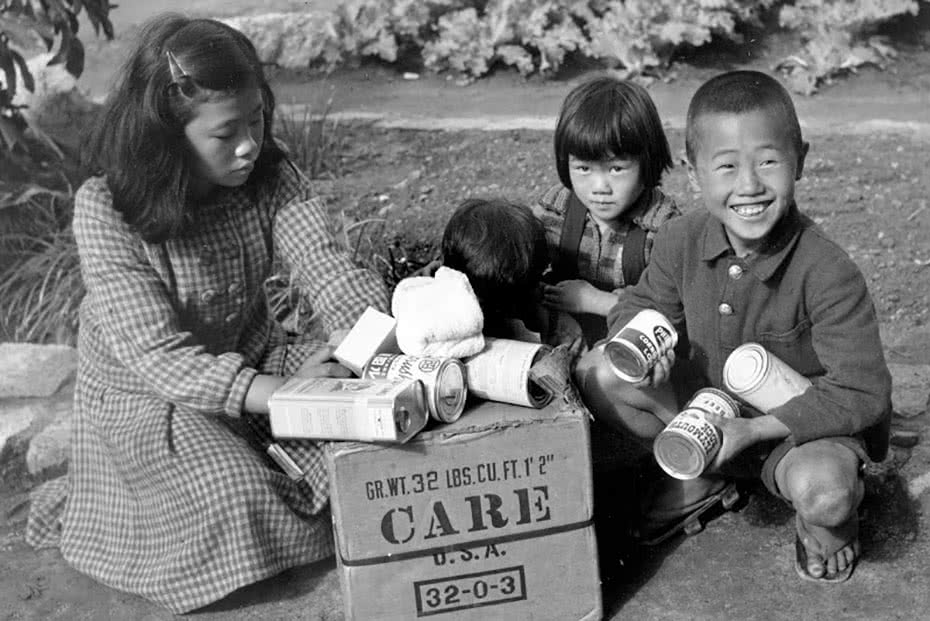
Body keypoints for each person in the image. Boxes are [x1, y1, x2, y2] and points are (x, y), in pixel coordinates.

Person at [25, 14, 390, 614]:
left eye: (257, 119)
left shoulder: (271, 175)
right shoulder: (107, 211)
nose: (249, 143)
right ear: (169, 136)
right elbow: (159, 358)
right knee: (236, 496)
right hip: (151, 396)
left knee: (365, 448)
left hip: (254, 358)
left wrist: (363, 339)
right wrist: (285, 395)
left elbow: (325, 267)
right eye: (226, 134)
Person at [574, 70, 892, 582]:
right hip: (706, 417)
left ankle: (832, 522)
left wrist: (753, 430)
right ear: (694, 172)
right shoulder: (681, 239)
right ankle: (704, 481)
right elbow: (639, 303)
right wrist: (644, 349)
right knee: (600, 373)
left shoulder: (827, 270)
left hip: (796, 436)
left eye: (768, 161)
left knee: (827, 498)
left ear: (800, 161)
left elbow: (862, 392)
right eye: (726, 167)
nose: (749, 186)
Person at [533, 75, 680, 348]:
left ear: (646, 161)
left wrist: (593, 301)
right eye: (584, 168)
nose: (600, 187)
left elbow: (671, 312)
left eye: (616, 169)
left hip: (627, 346)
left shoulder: (663, 227)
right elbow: (520, 267)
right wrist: (555, 314)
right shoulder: (557, 207)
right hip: (560, 331)